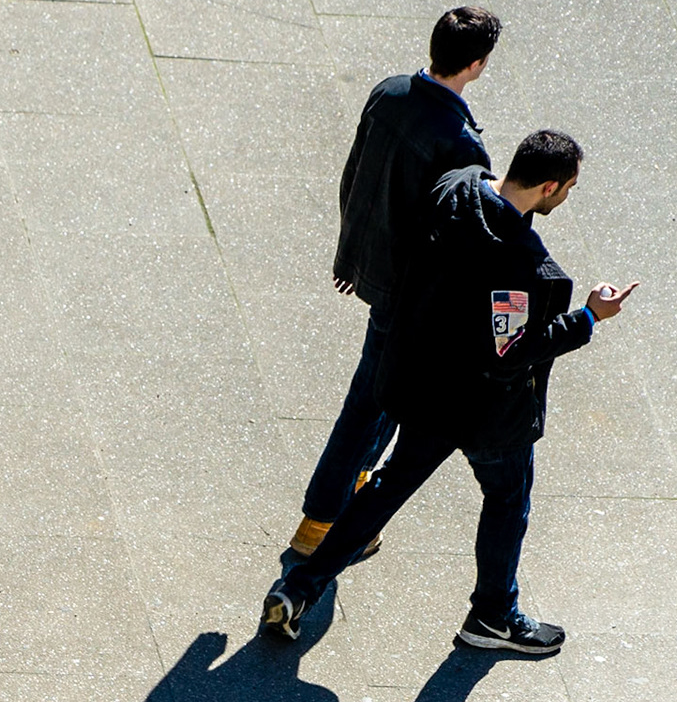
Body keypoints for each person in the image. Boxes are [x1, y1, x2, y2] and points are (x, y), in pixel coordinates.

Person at [261, 130, 639, 655]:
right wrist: (589, 317)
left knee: (383, 490)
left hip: (425, 387)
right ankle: (492, 616)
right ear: (549, 186)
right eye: (568, 188)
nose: (567, 197)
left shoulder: (455, 189)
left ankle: (299, 588)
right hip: (486, 411)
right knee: (507, 500)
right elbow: (511, 350)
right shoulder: (521, 262)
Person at [289, 5, 502, 561]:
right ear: (477, 65)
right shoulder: (462, 145)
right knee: (372, 401)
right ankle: (322, 522)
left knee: (385, 397)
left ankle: (349, 498)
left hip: (372, 268)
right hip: (408, 296)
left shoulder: (389, 93)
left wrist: (349, 257)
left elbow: (355, 174)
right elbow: (457, 242)